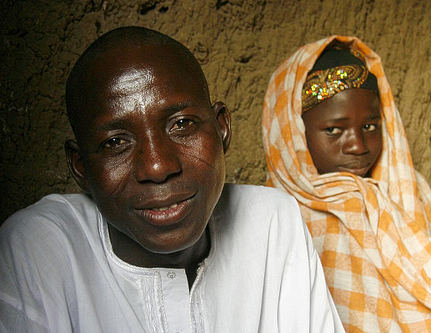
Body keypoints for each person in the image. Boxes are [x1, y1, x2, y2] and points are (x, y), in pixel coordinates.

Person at [0, 27, 344, 332]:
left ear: (222, 128)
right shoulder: (41, 249)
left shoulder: (271, 221)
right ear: (80, 167)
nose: (157, 166)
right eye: (115, 142)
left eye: (181, 124)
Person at [262, 36, 431, 332]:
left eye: (370, 127)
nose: (358, 145)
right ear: (294, 133)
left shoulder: (407, 192)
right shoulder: (279, 217)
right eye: (334, 130)